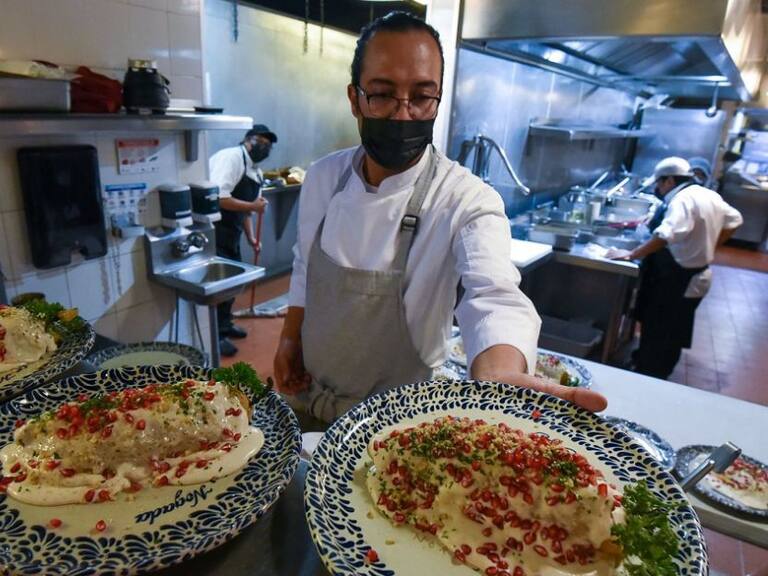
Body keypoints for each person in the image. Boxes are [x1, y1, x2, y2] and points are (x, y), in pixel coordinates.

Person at [273, 11, 606, 426]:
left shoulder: (465, 199)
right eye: (382, 94)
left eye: (421, 96)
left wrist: (499, 372)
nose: (403, 115)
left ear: (438, 98)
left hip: (400, 427)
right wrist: (290, 338)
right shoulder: (324, 177)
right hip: (308, 401)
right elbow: (306, 265)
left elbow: (494, 295)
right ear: (354, 98)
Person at [617, 157, 743, 379]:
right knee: (673, 329)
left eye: (659, 183)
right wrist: (711, 244)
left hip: (677, 278)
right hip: (694, 275)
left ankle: (649, 375)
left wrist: (632, 254)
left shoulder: (682, 200)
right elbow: (735, 220)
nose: (657, 189)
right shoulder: (707, 194)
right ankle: (650, 366)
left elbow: (665, 235)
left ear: (669, 181)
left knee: (660, 329)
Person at [209, 124, 277, 357]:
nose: (264, 147)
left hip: (232, 232)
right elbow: (218, 198)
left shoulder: (256, 171)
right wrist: (252, 206)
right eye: (260, 141)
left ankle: (225, 324)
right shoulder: (232, 158)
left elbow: (248, 210)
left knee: (232, 282)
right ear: (248, 140)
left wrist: (251, 238)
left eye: (268, 145)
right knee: (219, 284)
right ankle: (215, 336)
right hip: (214, 230)